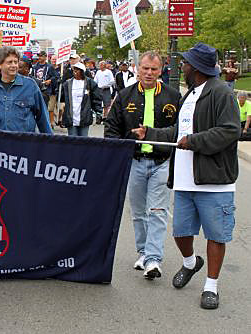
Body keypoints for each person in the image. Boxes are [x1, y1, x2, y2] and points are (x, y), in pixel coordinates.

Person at [132, 43, 241, 310]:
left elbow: (229, 131)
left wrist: (193, 141)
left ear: (198, 68)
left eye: (186, 63)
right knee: (181, 233)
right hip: (183, 180)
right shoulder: (190, 94)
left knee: (216, 237)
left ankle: (211, 286)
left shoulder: (221, 93)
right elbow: (178, 132)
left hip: (214, 182)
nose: (182, 66)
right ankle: (191, 263)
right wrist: (152, 133)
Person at [105, 51, 182, 280]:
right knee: (138, 212)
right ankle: (143, 252)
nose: (149, 73)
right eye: (145, 68)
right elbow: (112, 129)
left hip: (161, 161)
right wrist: (118, 153)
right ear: (137, 69)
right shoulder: (124, 95)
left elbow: (179, 129)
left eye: (154, 69)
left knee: (157, 211)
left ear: (161, 70)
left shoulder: (173, 96)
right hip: (135, 161)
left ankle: (153, 259)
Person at [0, 47, 52, 134]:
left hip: (25, 144)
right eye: (9, 62)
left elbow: (43, 119)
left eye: (16, 62)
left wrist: (50, 143)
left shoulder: (30, 85)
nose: (14, 65)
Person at [62, 62, 102, 137]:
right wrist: (59, 84)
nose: (75, 72)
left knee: (83, 141)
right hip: (71, 117)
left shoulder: (90, 83)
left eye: (77, 70)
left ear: (82, 72)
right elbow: (61, 97)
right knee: (72, 141)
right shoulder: (68, 83)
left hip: (85, 116)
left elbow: (96, 98)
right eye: (74, 70)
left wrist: (98, 111)